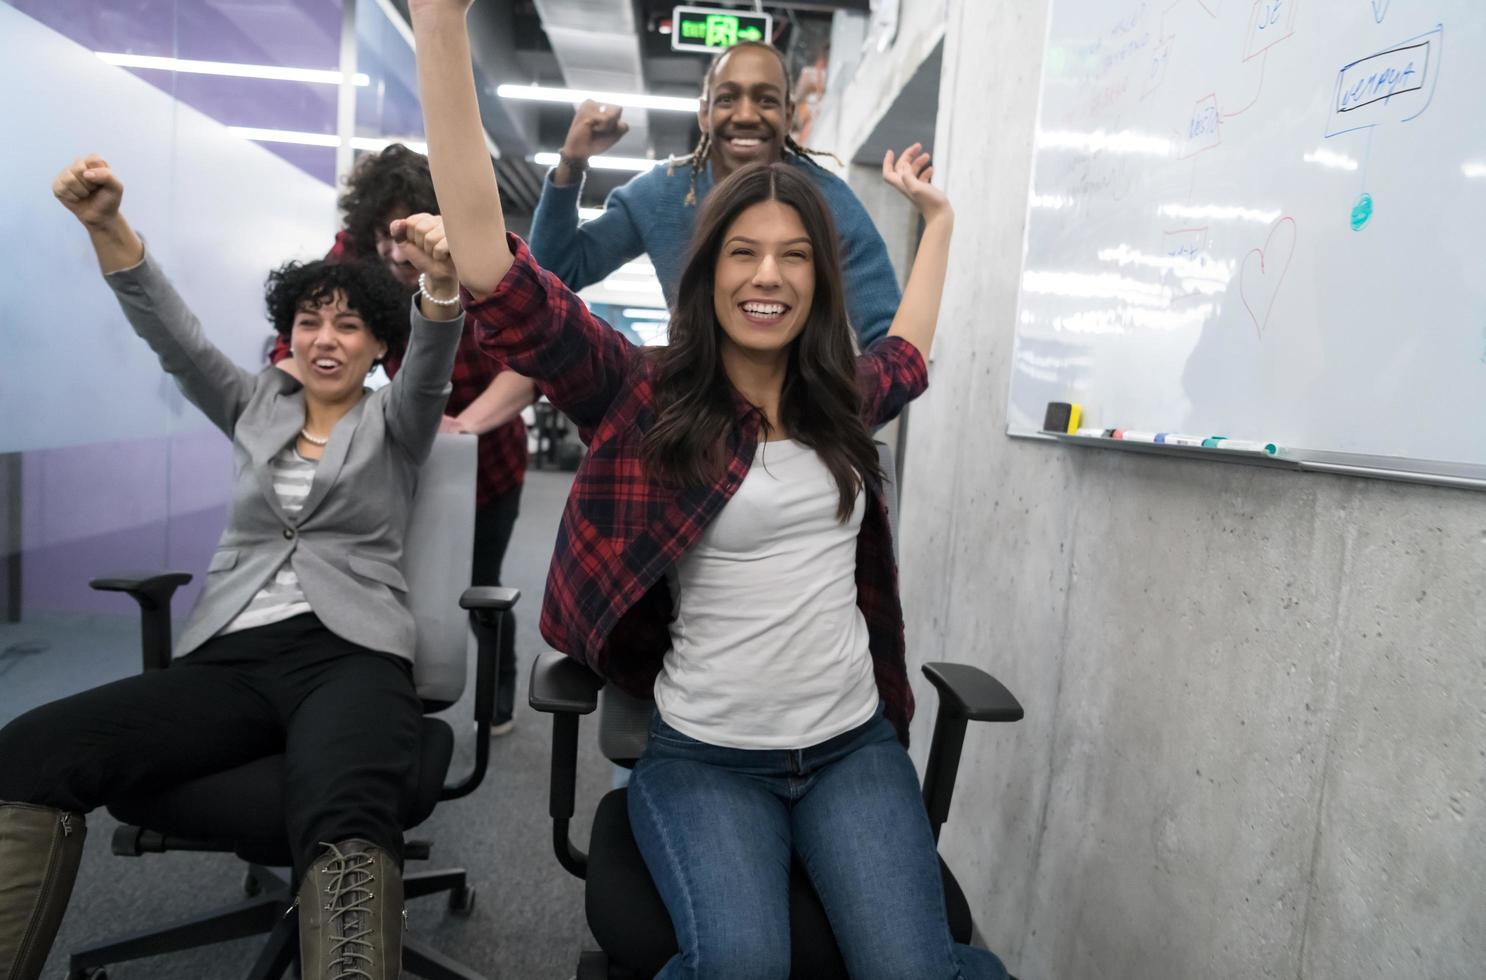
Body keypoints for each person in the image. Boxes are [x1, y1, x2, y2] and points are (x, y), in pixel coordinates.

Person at [408, 3, 1009, 976]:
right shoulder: (643, 393)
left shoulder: (840, 398)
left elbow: (910, 346)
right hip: (707, 758)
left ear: (817, 279)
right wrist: (440, 33)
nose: (766, 274)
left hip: (852, 748)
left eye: (793, 255)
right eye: (742, 251)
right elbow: (495, 274)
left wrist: (937, 218)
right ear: (707, 271)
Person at [0, 154, 464, 980]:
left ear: (379, 345)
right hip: (234, 656)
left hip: (352, 655)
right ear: (291, 335)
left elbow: (432, 360)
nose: (328, 339)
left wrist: (437, 289)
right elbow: (172, 337)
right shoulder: (253, 403)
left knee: (347, 812)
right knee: (29, 752)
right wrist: (109, 226)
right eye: (313, 322)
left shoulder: (398, 419)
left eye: (351, 325)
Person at [270, 143, 531, 735]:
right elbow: (296, 342)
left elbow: (530, 366)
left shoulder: (485, 261)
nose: (393, 252)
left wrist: (460, 426)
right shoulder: (359, 253)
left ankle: (497, 700)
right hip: (395, 456)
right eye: (382, 237)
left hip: (488, 454)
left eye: (405, 234)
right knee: (395, 578)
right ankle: (391, 697)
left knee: (477, 585)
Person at [528, 40, 902, 348]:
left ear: (789, 115)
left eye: (766, 100)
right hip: (695, 410)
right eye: (727, 99)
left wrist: (833, 425)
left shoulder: (829, 202)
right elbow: (556, 271)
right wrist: (572, 163)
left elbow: (888, 340)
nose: (745, 114)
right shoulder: (661, 193)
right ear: (704, 113)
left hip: (795, 415)